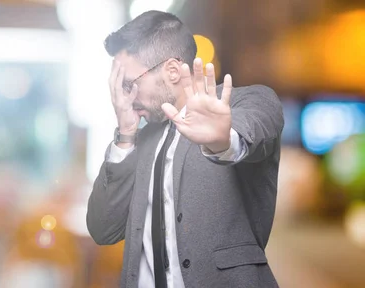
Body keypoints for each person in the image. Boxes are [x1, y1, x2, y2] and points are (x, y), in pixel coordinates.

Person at [86, 11, 284, 288]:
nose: (125, 97)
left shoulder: (245, 103)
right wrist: (126, 135)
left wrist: (221, 141)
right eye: (120, 87)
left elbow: (255, 128)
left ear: (172, 71)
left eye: (130, 84)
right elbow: (103, 229)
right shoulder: (138, 141)